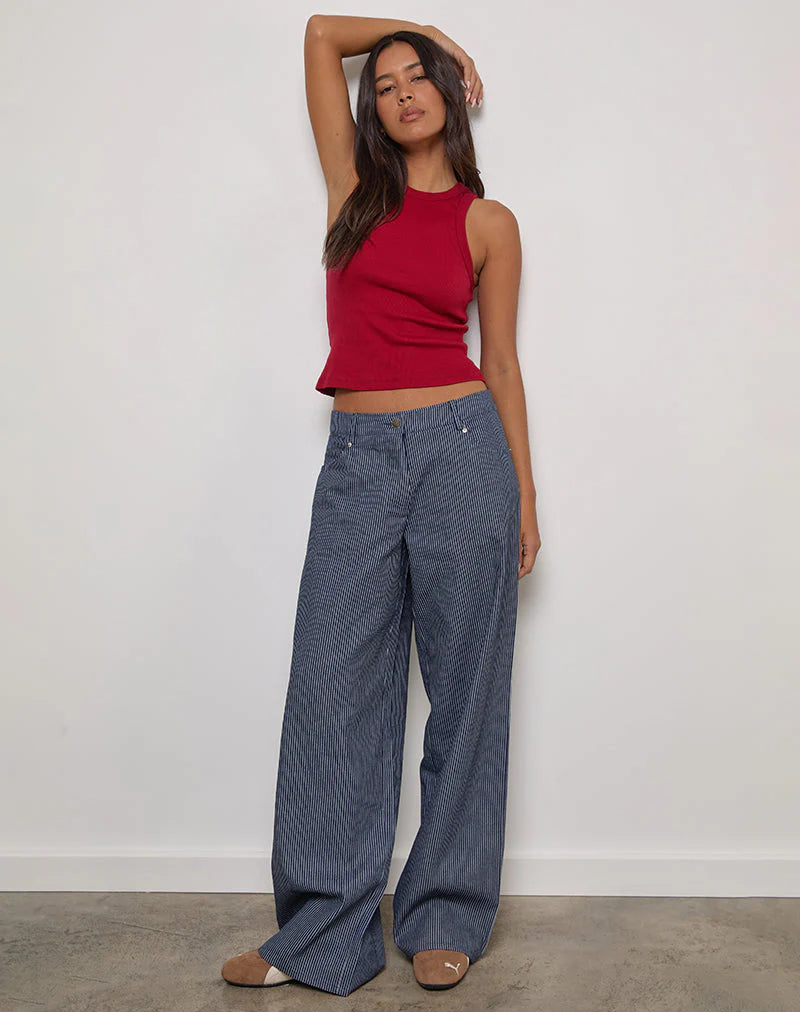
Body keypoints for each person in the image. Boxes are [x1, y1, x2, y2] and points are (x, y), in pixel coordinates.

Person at [221, 14, 541, 997]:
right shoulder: (354, 191)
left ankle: (444, 913)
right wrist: (428, 29)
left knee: (466, 693)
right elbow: (322, 34)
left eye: (419, 76)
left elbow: (500, 364)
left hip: (463, 452)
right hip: (359, 459)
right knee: (332, 687)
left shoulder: (488, 223)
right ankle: (324, 930)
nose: (402, 91)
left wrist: (525, 497)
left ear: (449, 95)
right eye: (389, 81)